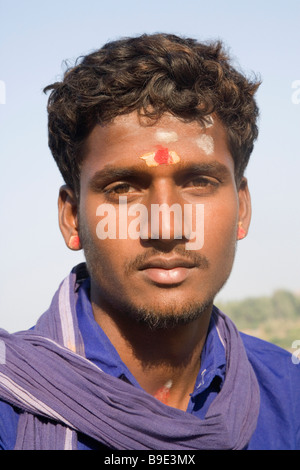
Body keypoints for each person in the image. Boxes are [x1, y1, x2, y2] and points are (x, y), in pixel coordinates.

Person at [0, 33, 299, 451]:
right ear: (72, 218)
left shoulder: (290, 396)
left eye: (199, 182)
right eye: (124, 188)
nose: (165, 225)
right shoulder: (9, 410)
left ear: (242, 209)